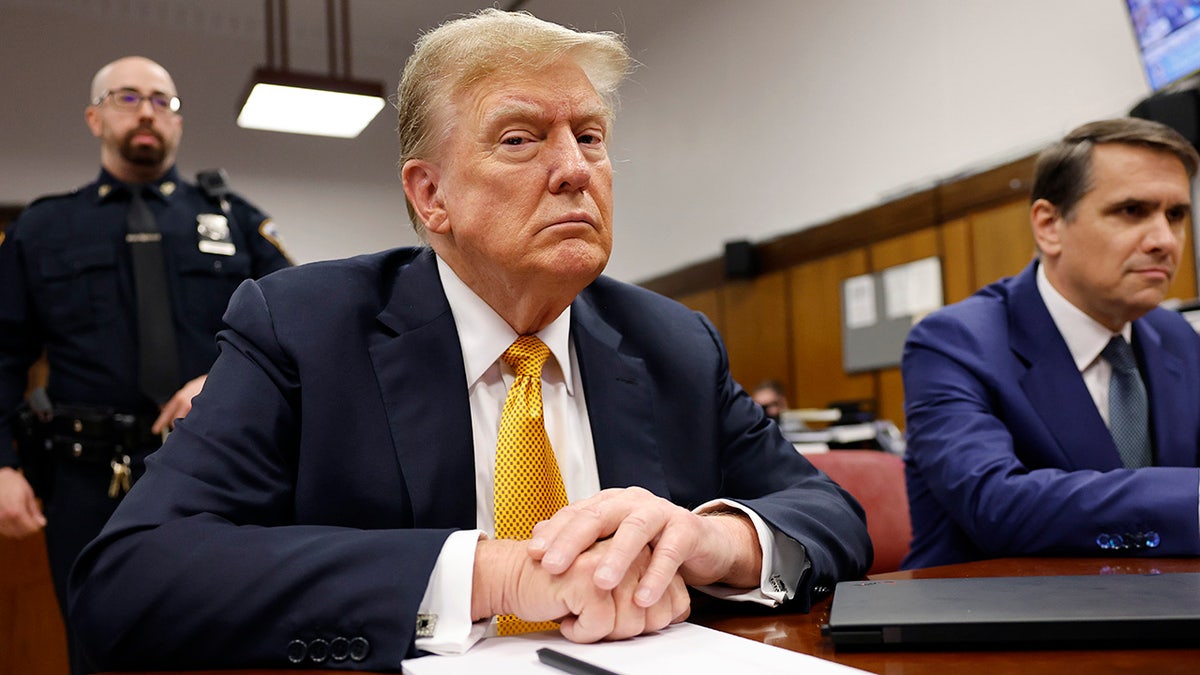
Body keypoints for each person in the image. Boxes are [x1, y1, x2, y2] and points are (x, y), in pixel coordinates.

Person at [68, 10, 871, 671]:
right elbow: (132, 577)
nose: (574, 169)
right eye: (520, 139)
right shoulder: (302, 328)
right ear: (431, 195)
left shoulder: (672, 342)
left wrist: (709, 540)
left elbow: (829, 513)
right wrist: (495, 573)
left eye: (590, 137)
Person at [0, 55, 291, 673]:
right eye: (128, 98)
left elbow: (294, 334)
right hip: (83, 480)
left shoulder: (234, 220)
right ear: (94, 116)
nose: (148, 113)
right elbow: (2, 354)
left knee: (221, 644)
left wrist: (221, 379)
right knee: (95, 647)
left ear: (178, 123)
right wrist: (0, 464)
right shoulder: (42, 228)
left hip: (213, 467)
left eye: (163, 101)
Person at [901, 117, 1200, 569]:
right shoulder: (955, 342)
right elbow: (995, 504)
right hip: (990, 621)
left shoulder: (1176, 334)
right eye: (1132, 211)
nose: (1164, 240)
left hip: (1160, 605)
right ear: (1049, 226)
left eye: (1175, 215)